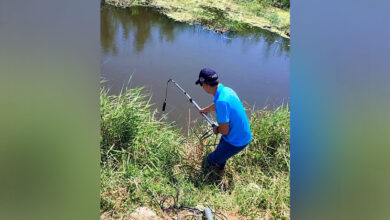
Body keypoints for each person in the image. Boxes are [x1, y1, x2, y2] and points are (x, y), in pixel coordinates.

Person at [195, 68, 252, 175]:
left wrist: (216, 129)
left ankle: (206, 184)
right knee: (220, 157)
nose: (202, 88)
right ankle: (219, 174)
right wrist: (206, 110)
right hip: (241, 134)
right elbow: (218, 104)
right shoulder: (226, 90)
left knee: (208, 162)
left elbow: (224, 131)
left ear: (205, 85)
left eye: (201, 85)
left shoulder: (221, 101)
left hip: (236, 141)